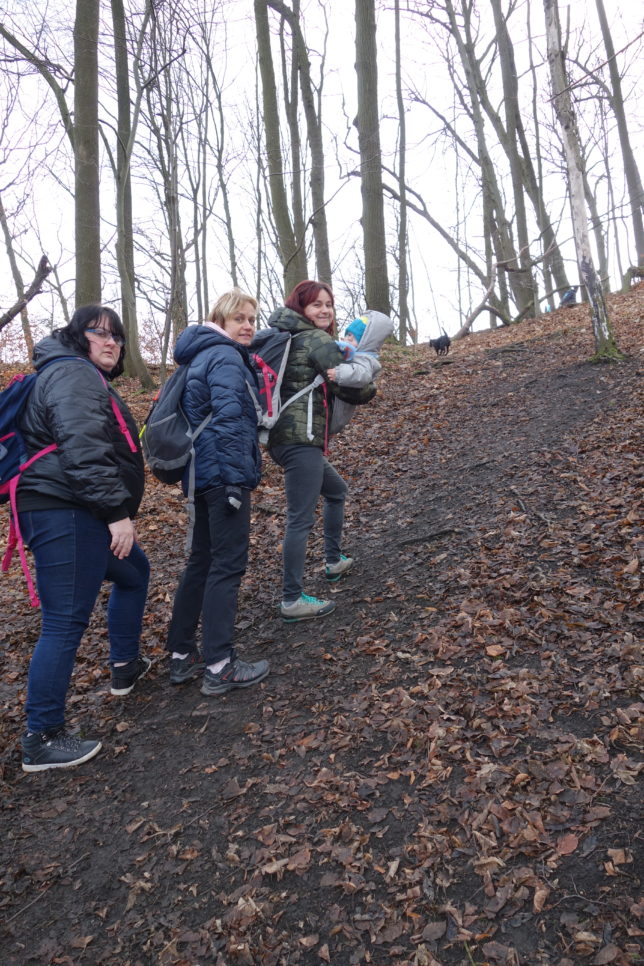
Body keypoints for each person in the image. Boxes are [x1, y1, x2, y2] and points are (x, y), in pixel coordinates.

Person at [17, 305, 150, 772]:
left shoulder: (81, 375)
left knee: (135, 572)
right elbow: (84, 447)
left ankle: (125, 666)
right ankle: (42, 736)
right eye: (99, 333)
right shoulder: (72, 374)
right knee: (64, 621)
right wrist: (117, 514)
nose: (111, 342)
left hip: (75, 509)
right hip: (63, 511)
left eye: (117, 336)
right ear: (79, 337)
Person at [166, 288, 269, 696]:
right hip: (223, 477)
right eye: (238, 319)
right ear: (220, 321)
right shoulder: (225, 356)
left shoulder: (199, 354)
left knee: (201, 562)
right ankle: (220, 664)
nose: (246, 326)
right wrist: (234, 483)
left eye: (251, 319)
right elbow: (229, 419)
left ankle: (181, 655)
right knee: (226, 565)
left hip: (200, 475)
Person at [266, 280, 375, 622]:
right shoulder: (316, 339)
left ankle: (333, 560)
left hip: (286, 439)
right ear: (302, 309)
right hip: (300, 440)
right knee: (300, 518)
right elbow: (355, 389)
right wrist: (370, 374)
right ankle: (291, 599)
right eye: (316, 305)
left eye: (328, 304)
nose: (325, 310)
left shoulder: (290, 336)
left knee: (336, 491)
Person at [327, 311, 393, 388]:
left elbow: (362, 375)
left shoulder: (366, 359)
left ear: (366, 341)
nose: (348, 338)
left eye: (354, 337)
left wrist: (339, 373)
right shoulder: (349, 353)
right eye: (348, 334)